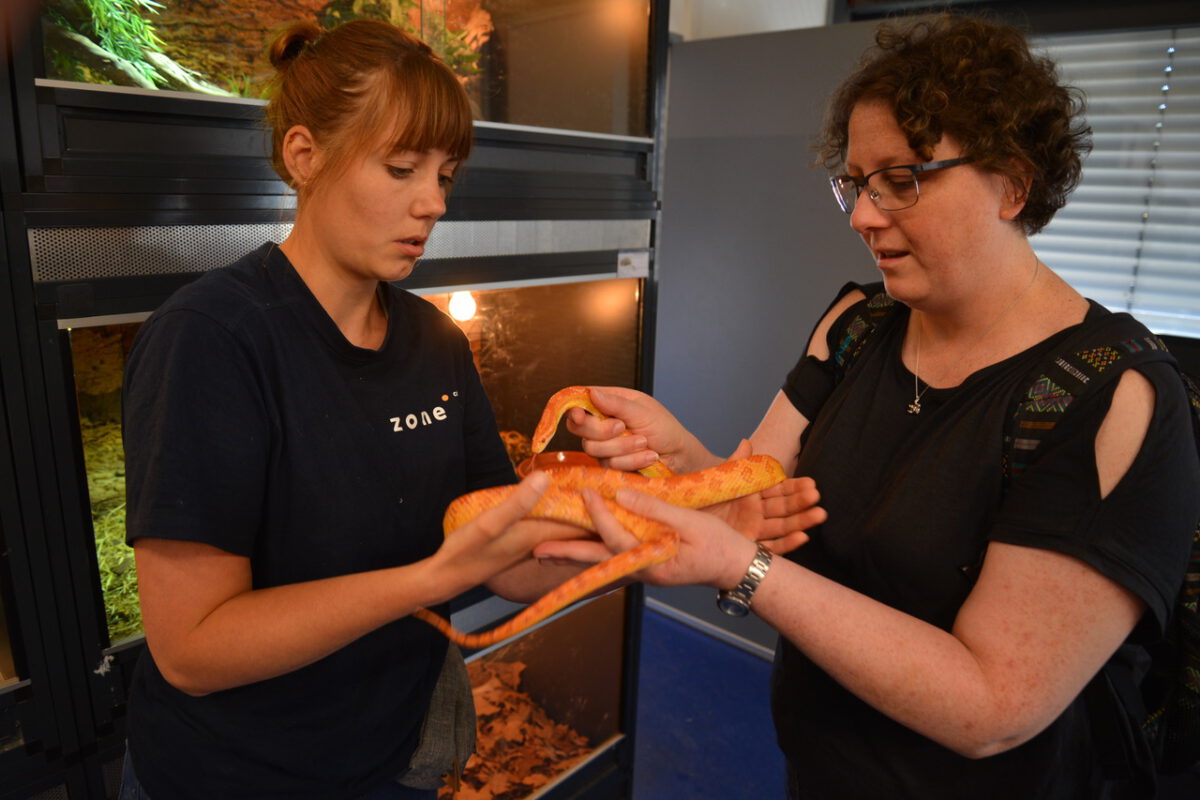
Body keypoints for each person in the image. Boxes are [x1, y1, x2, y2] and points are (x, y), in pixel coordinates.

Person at [540, 13, 1200, 800]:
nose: (862, 215)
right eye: (857, 183)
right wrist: (679, 455)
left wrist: (742, 571)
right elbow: (757, 500)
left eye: (903, 179)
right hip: (817, 766)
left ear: (1013, 183)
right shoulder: (858, 324)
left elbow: (992, 706)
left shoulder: (1110, 397)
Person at [117, 19, 591, 800]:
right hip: (234, 777)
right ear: (304, 155)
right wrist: (427, 579)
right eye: (402, 168)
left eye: (445, 176)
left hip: (394, 758)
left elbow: (506, 559)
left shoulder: (435, 341)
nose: (433, 203)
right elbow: (192, 650)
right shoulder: (212, 339)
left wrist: (627, 516)